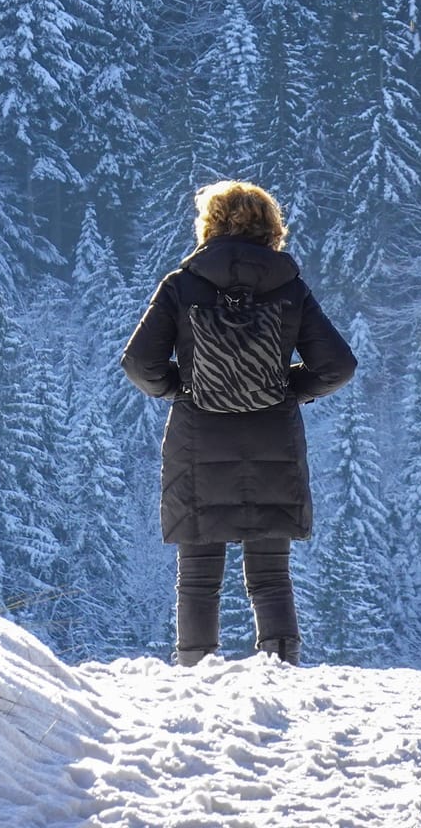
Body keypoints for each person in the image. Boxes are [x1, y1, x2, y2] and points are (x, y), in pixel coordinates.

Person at [122, 181, 356, 666]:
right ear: (270, 227)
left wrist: (183, 387)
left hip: (196, 441)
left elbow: (140, 364)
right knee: (271, 575)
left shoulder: (180, 285)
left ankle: (194, 670)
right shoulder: (290, 287)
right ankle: (281, 666)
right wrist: (286, 387)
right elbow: (337, 366)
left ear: (210, 223)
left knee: (198, 574)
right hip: (274, 440)